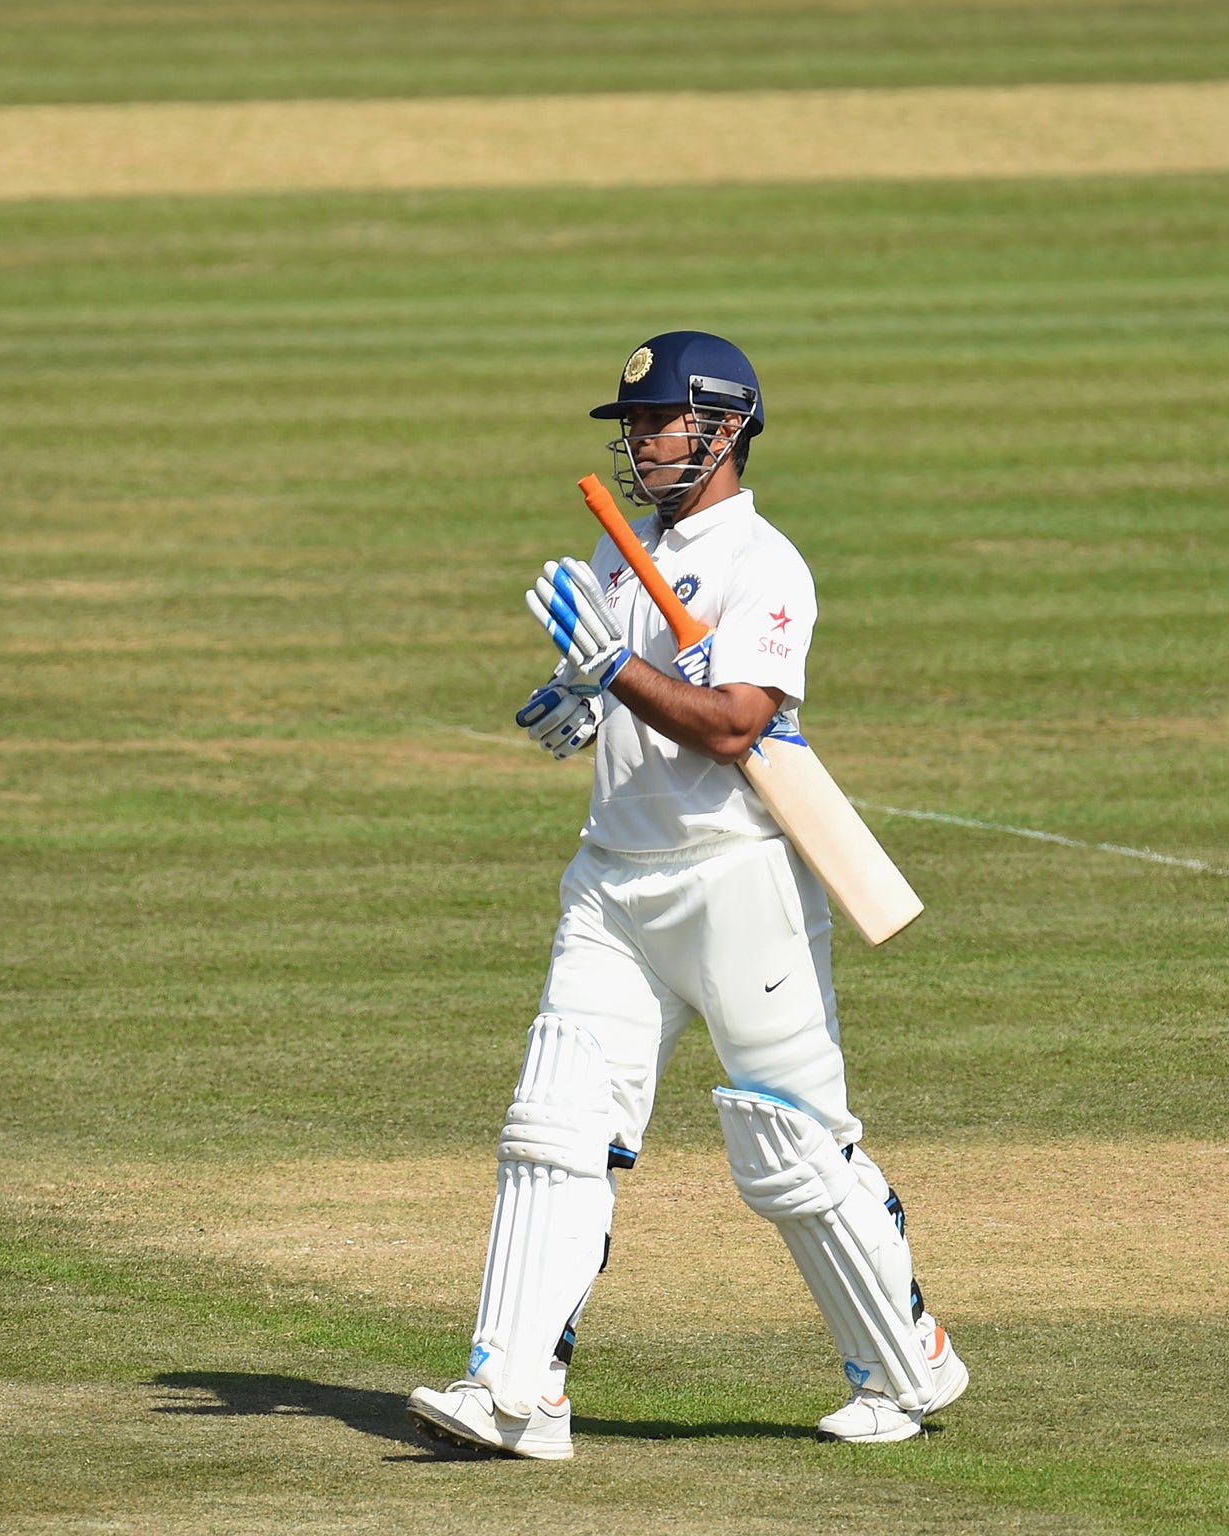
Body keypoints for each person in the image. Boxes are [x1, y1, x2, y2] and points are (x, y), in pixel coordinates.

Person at [404, 332, 968, 1456]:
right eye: (630, 426)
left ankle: (908, 1368)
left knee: (791, 1147)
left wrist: (620, 672)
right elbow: (644, 693)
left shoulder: (766, 565)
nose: (638, 443)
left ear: (721, 427)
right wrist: (585, 700)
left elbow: (733, 727)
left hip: (735, 882)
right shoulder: (623, 557)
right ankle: (514, 1393)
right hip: (610, 879)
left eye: (655, 422)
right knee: (551, 1127)